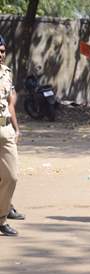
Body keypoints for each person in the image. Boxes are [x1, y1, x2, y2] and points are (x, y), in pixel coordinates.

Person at [0, 35, 20, 236]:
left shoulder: (7, 73)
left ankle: (2, 217)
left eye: (3, 51)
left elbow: (9, 103)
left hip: (5, 129)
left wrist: (16, 128)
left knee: (11, 177)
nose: (0, 55)